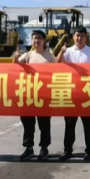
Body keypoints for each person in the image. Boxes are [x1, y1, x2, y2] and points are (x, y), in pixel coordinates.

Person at [57, 26, 90, 161]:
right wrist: (61, 52)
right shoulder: (68, 51)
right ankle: (67, 150)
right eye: (77, 35)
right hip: (72, 93)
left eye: (82, 36)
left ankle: (89, 151)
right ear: (73, 37)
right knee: (69, 124)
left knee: (88, 124)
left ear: (86, 37)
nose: (79, 38)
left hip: (88, 93)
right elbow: (58, 64)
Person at [13, 30, 55, 161]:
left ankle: (44, 148)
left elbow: (58, 72)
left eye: (39, 39)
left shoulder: (49, 57)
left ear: (44, 41)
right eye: (34, 38)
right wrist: (15, 57)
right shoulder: (27, 55)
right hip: (28, 94)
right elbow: (15, 66)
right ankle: (28, 148)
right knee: (28, 123)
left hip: (44, 95)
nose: (37, 41)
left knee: (44, 124)